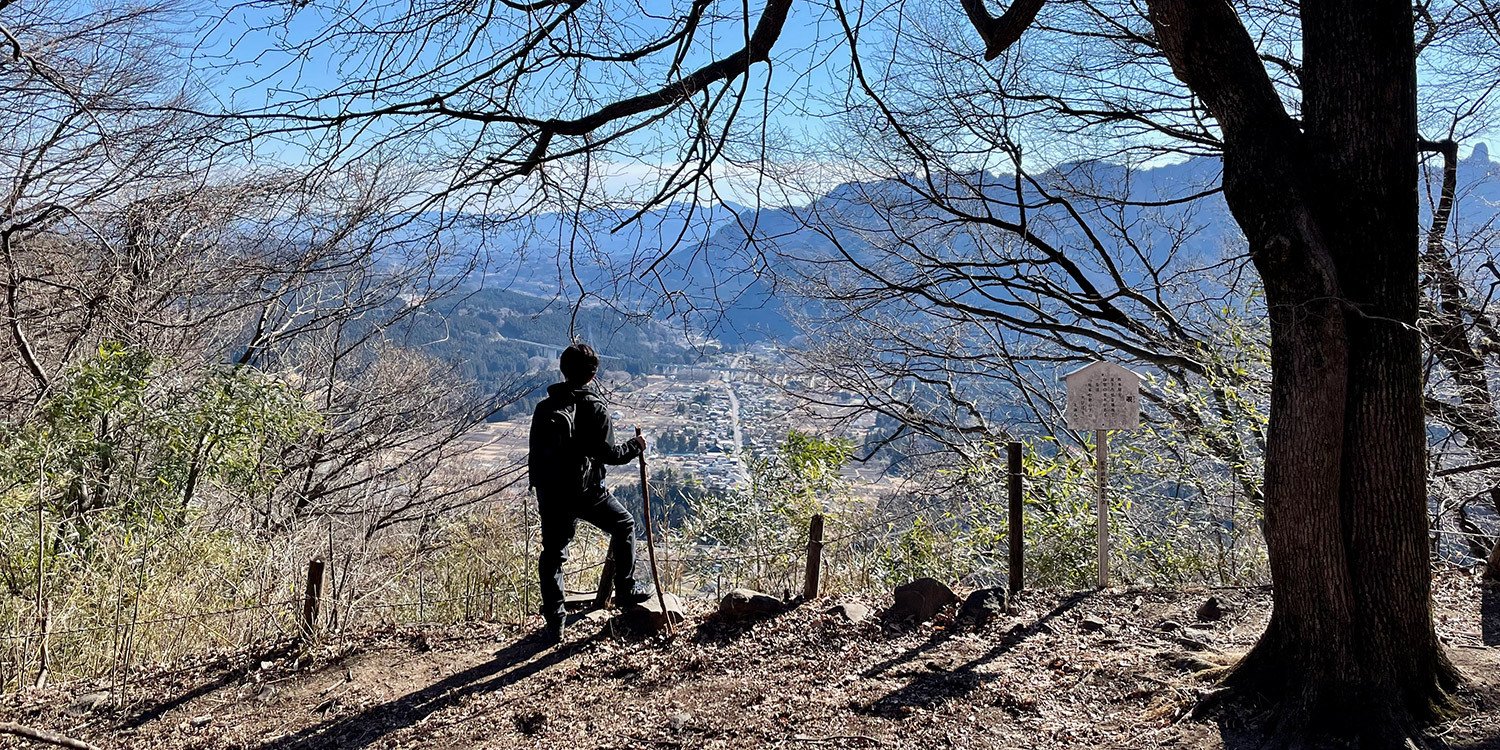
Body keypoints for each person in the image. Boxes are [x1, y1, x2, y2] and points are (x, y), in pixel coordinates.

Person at [527, 343, 649, 643]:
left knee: (553, 554)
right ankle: (625, 590)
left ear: (563, 370)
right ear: (593, 375)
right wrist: (636, 446)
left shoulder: (545, 407)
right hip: (585, 491)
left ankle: (555, 621)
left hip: (550, 492)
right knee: (624, 525)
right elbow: (610, 454)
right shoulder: (594, 407)